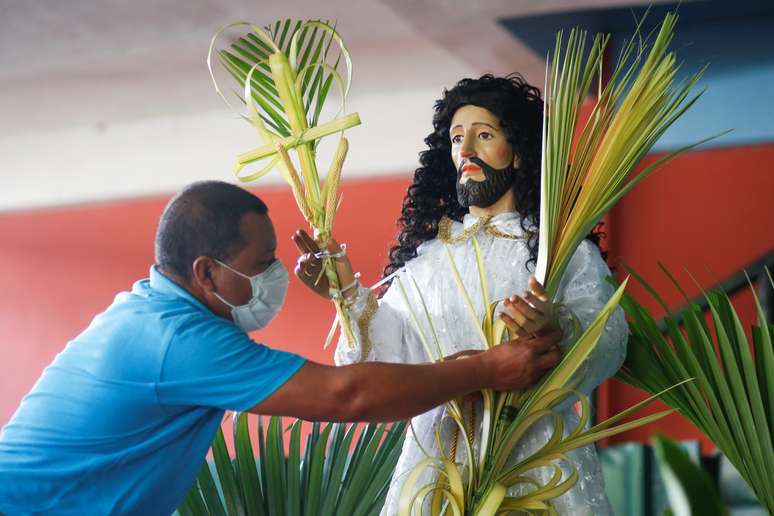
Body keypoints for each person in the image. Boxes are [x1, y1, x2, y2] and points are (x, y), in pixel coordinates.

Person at [0, 181, 562, 516]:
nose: (275, 274)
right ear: (205, 273)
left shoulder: (156, 309)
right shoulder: (179, 339)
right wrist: (486, 367)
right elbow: (348, 396)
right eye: (258, 265)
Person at [296, 75, 627, 515]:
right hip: (437, 466)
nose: (466, 151)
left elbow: (610, 337)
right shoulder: (428, 264)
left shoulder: (560, 252)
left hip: (533, 462)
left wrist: (559, 327)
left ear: (521, 152)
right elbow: (386, 362)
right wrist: (349, 295)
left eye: (483, 135)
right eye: (456, 139)